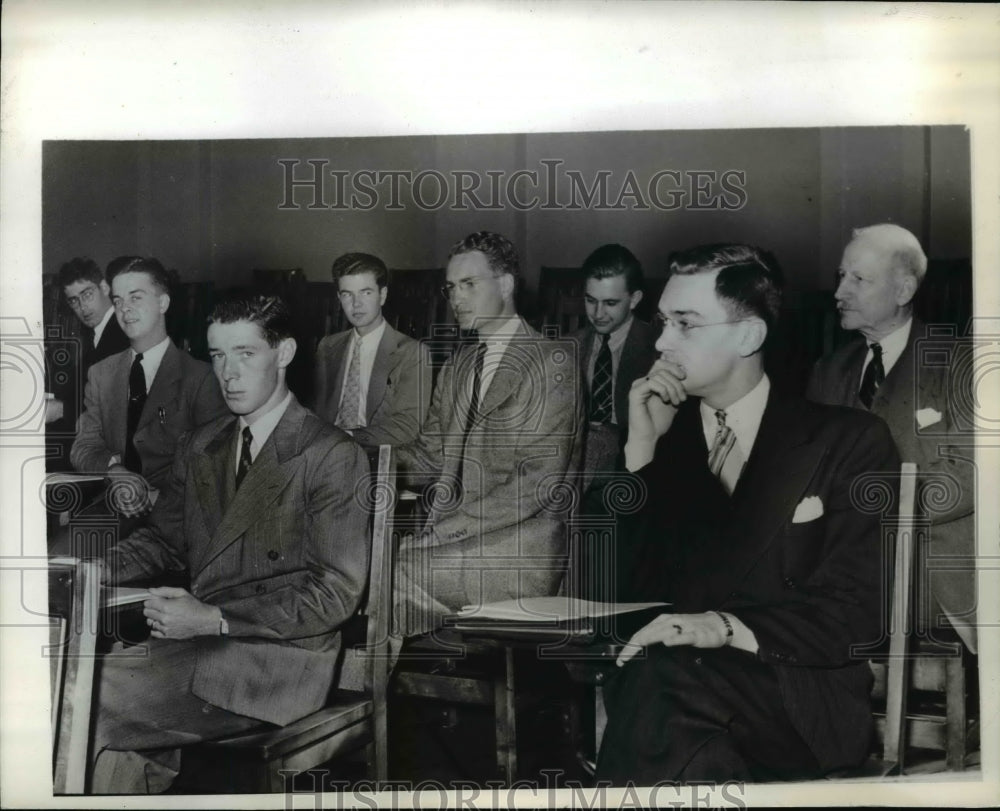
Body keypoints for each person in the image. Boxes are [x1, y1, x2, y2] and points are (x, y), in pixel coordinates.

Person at [596, 243, 899, 784]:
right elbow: (621, 601)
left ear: (749, 335)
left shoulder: (846, 440)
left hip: (795, 693)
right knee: (685, 728)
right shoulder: (664, 439)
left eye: (684, 324)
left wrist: (723, 626)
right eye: (662, 322)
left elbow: (859, 610)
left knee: (661, 694)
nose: (661, 342)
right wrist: (642, 455)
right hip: (675, 689)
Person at [88, 294, 370, 794]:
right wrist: (87, 569)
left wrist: (215, 619)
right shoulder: (201, 444)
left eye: (245, 353)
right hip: (200, 644)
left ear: (283, 354)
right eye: (218, 356)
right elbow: (163, 542)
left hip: (278, 662)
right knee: (81, 688)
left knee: (87, 697)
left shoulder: (330, 454)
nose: (228, 373)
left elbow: (335, 594)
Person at [393, 231, 584, 636]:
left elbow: (537, 483)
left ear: (506, 285)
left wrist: (443, 532)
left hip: (518, 554)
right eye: (451, 287)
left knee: (381, 574)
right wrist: (357, 459)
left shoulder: (552, 361)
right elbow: (429, 455)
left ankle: (373, 692)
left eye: (469, 285)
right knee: (361, 569)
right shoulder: (459, 364)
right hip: (457, 544)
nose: (456, 298)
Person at [807, 223, 976, 653]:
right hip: (843, 589)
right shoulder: (828, 372)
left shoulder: (960, 362)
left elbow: (969, 479)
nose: (839, 293)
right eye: (840, 277)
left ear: (903, 290)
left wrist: (860, 505)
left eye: (858, 279)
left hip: (936, 595)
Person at [70, 256, 227, 521]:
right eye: (118, 301)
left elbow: (215, 467)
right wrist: (114, 470)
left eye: (136, 298)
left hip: (177, 517)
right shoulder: (101, 374)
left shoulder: (201, 378)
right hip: (112, 506)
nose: (124, 309)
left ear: (163, 303)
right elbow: (83, 446)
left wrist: (152, 497)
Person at [313, 252, 430, 449]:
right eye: (347, 294)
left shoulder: (412, 352)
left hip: (373, 452)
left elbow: (407, 426)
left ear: (382, 295)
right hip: (324, 455)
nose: (356, 304)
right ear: (339, 298)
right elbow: (317, 411)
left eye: (366, 292)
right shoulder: (328, 346)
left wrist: (346, 437)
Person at [45, 257, 131, 467]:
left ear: (104, 287)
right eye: (74, 300)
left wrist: (61, 409)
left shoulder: (121, 333)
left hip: (107, 450)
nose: (82, 307)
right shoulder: (97, 333)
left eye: (87, 295)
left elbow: (114, 407)